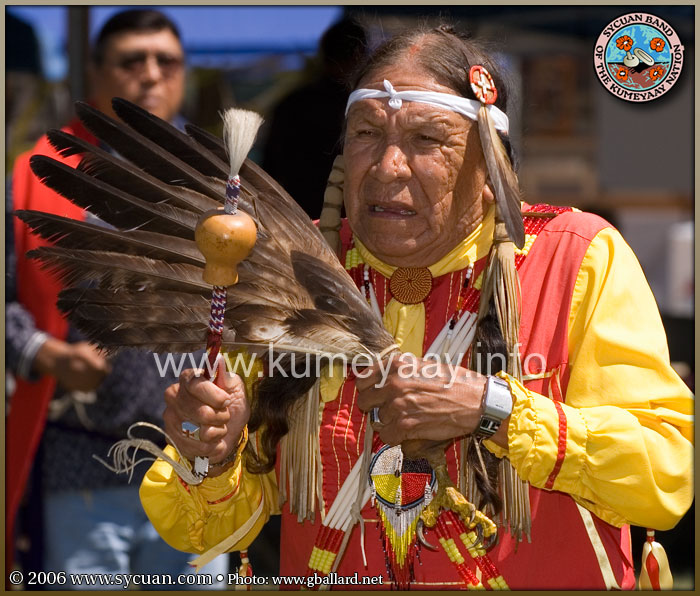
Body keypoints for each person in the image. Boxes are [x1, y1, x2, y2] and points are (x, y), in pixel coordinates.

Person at [139, 25, 693, 589]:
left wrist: (493, 406)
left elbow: (667, 471)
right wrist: (212, 450)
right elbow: (198, 531)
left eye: (428, 139)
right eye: (366, 134)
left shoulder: (574, 258)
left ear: (490, 164)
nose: (388, 166)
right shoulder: (295, 271)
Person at [7, 8, 227, 588]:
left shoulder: (221, 181)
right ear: (96, 73)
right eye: (132, 61)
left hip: (198, 470)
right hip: (82, 465)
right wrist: (44, 354)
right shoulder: (40, 174)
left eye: (167, 62)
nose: (151, 75)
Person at [262, 18, 367, 219]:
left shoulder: (291, 104)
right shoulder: (362, 108)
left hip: (297, 219)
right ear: (359, 56)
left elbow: (269, 173)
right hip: (344, 221)